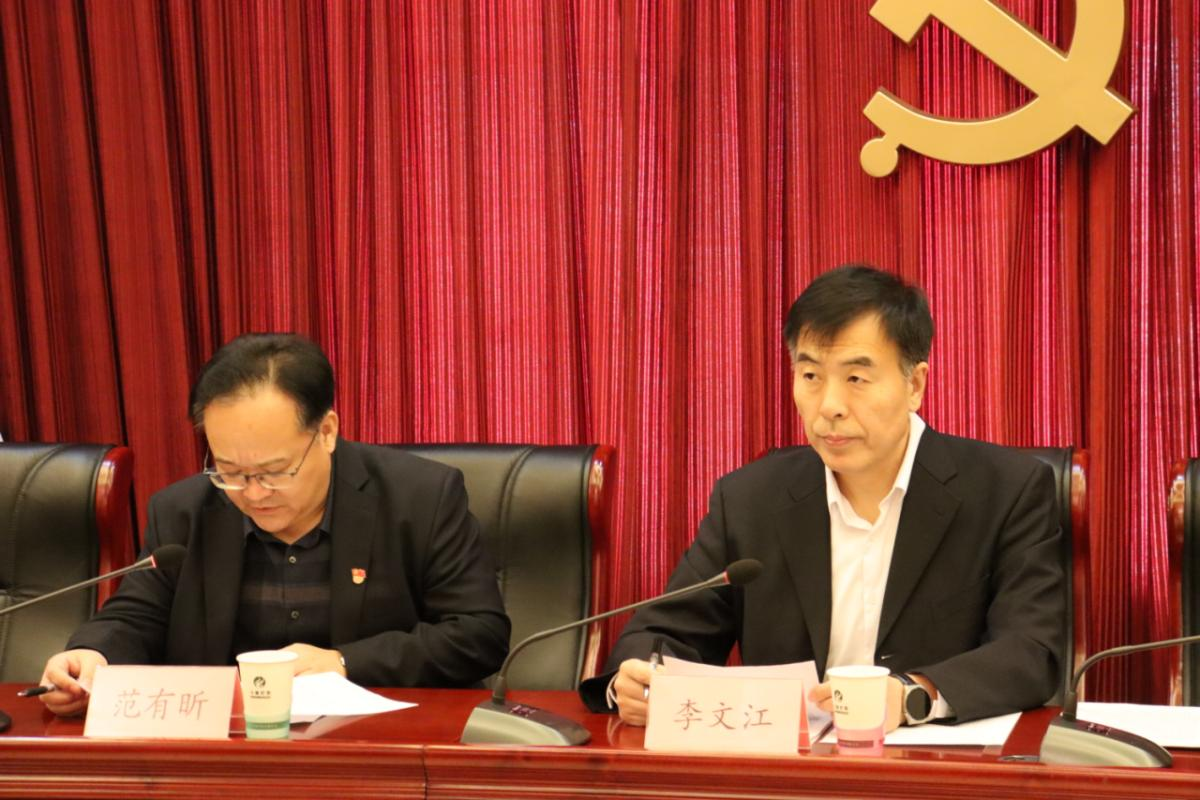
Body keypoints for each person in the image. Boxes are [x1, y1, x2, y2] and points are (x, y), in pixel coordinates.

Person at [581, 264, 1063, 730]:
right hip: (789, 767)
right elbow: (663, 634)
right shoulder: (750, 499)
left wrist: (912, 695)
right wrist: (639, 681)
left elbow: (1032, 651)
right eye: (811, 376)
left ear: (914, 384)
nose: (830, 406)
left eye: (856, 379)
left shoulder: (1006, 490)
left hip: (933, 763)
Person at [40, 333, 510, 716]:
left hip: (379, 746)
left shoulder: (420, 497)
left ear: (327, 432)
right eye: (230, 471)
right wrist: (92, 655)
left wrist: (345, 662)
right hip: (229, 751)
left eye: (274, 471)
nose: (253, 493)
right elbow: (137, 616)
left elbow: (478, 634)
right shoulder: (184, 510)